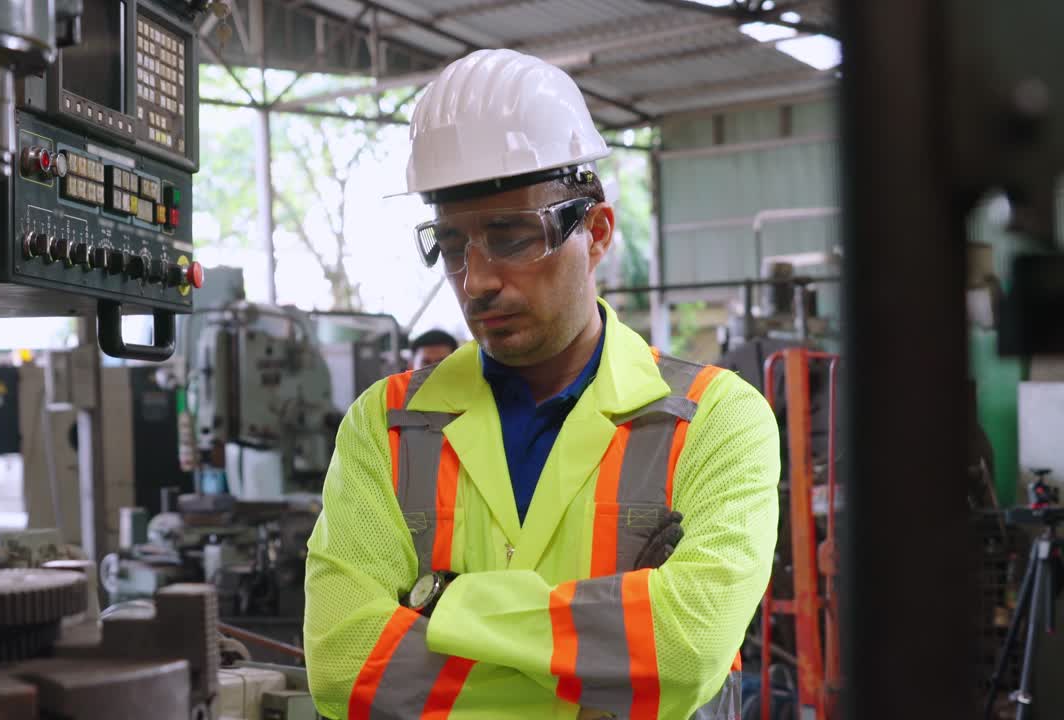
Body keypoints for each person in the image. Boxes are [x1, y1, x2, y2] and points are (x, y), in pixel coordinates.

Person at [304, 48, 779, 720]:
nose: (477, 279)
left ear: (598, 231)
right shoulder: (385, 424)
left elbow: (686, 647)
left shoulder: (715, 419)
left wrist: (441, 600)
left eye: (511, 236)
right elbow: (341, 665)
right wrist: (599, 677)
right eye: (451, 244)